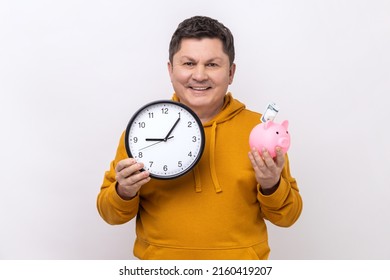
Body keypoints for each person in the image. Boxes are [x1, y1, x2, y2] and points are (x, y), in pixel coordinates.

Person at [97, 16, 302, 260]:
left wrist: (271, 185)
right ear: (171, 70)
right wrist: (124, 190)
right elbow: (110, 214)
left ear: (231, 72)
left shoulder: (260, 132)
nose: (200, 75)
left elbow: (288, 217)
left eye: (213, 64)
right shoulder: (143, 131)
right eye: (189, 63)